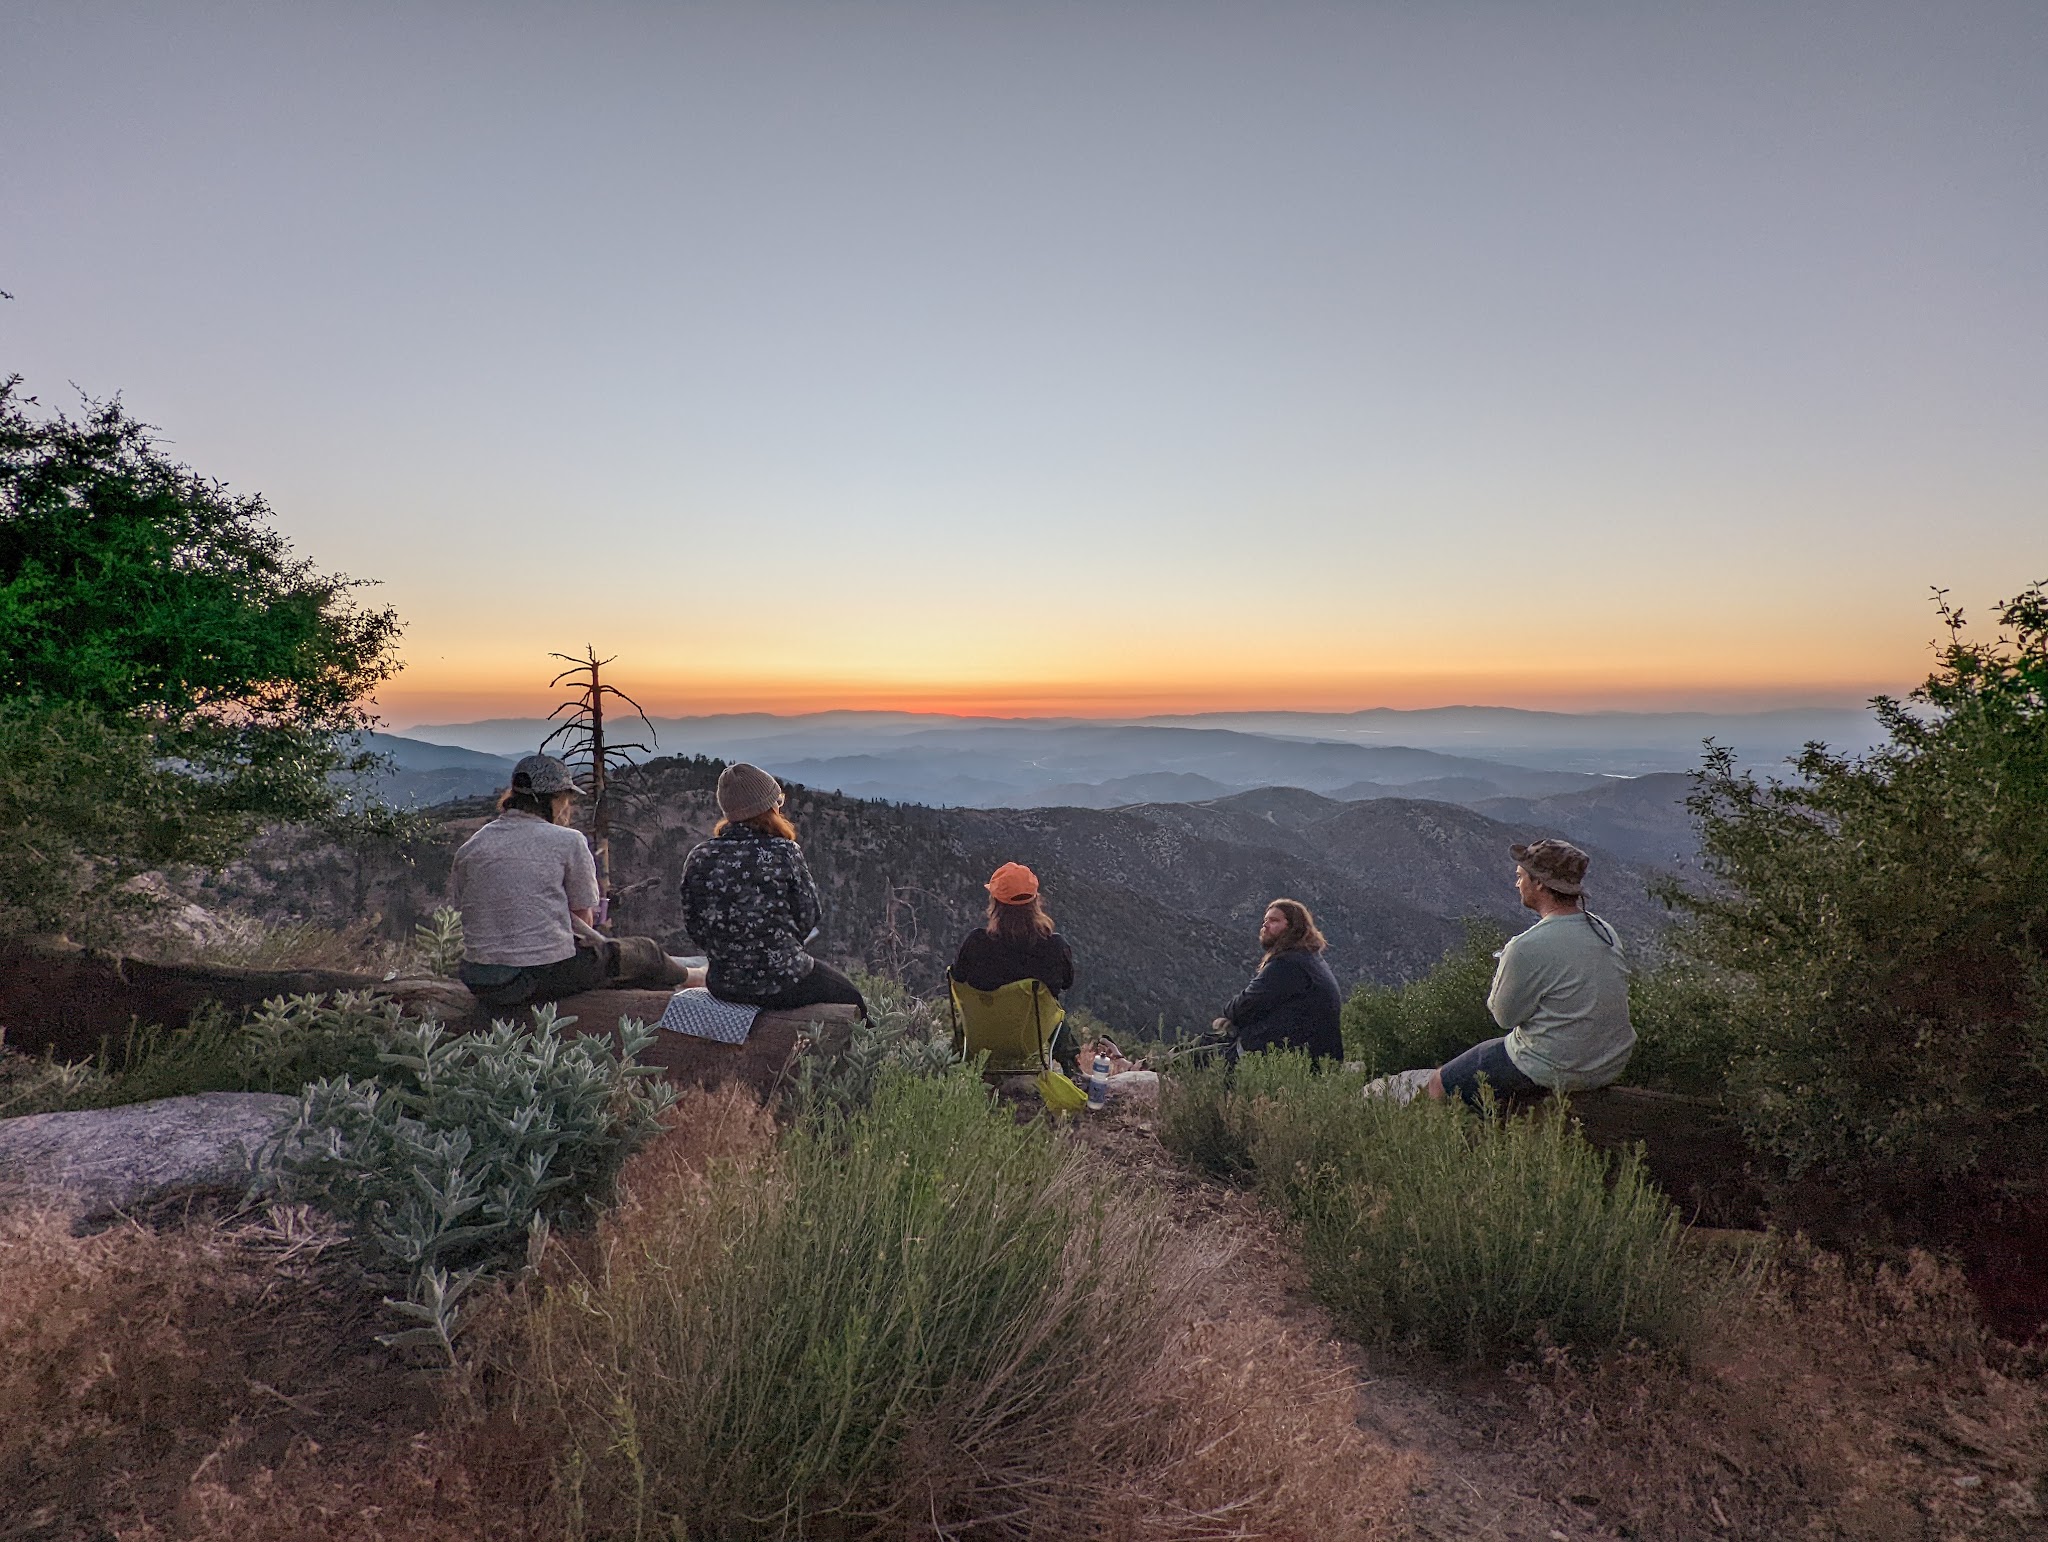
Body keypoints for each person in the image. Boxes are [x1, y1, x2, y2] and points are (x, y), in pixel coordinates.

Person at [450, 753, 691, 1011]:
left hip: (478, 978)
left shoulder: (471, 847)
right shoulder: (568, 840)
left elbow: (466, 907)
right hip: (536, 976)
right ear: (553, 799)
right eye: (566, 798)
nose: (567, 806)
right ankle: (694, 979)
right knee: (645, 952)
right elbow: (583, 920)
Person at [1426, 838, 1635, 1108]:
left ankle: (1462, 1144)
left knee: (1438, 1083)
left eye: (1520, 876)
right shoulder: (1604, 930)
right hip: (1609, 1062)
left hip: (1554, 1066)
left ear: (1538, 883)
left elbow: (1504, 1017)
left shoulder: (1526, 947)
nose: (1517, 884)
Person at [679, 762, 868, 1019]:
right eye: (777, 799)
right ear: (766, 807)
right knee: (853, 999)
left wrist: (730, 952)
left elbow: (695, 927)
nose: (780, 805)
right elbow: (809, 915)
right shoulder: (784, 852)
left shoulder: (699, 856)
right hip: (783, 982)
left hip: (723, 985)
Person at [952, 861, 1079, 1071]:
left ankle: (949, 1062)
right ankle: (1071, 1068)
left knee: (970, 1010)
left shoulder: (976, 943)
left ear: (994, 902)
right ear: (1036, 901)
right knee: (1054, 1011)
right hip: (1029, 1038)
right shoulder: (1054, 947)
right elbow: (1066, 982)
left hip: (982, 1035)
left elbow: (957, 977)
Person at [1212, 898, 1344, 1064]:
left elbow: (1242, 1006)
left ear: (1293, 927)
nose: (1265, 925)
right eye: (1265, 920)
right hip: (1314, 1058)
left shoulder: (1287, 965)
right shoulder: (1309, 959)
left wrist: (1229, 1018)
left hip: (1290, 1061)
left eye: (1274, 920)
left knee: (1188, 1060)